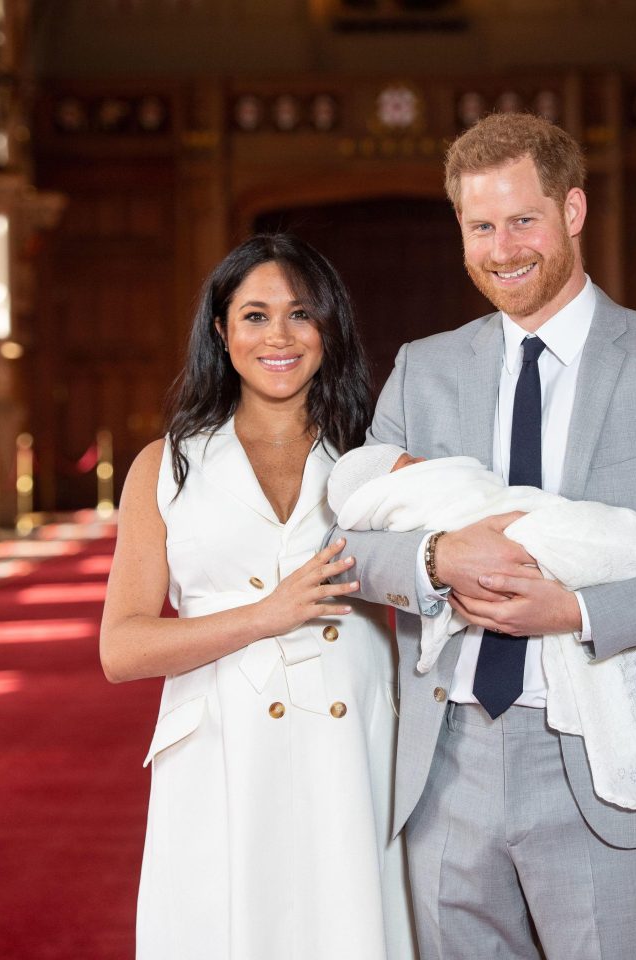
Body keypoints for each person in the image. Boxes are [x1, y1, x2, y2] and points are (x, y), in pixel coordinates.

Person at [330, 113, 636, 960]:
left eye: (522, 219)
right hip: (445, 753)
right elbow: (347, 540)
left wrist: (576, 609)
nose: (502, 248)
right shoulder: (423, 367)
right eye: (480, 226)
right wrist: (435, 557)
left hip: (603, 745)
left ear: (572, 211)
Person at [99, 233, 417, 960]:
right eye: (254, 315)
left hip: (356, 745)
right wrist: (263, 615)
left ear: (328, 327)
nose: (279, 336)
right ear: (220, 329)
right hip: (219, 753)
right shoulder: (167, 465)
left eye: (301, 314)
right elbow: (122, 649)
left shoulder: (375, 458)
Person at [327, 442, 636, 811]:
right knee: (596, 542)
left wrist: (579, 611)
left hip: (571, 730)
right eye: (411, 464)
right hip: (449, 739)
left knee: (607, 539)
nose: (425, 462)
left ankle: (629, 544)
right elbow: (342, 549)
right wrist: (437, 558)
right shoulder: (411, 392)